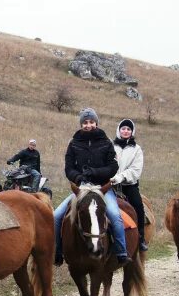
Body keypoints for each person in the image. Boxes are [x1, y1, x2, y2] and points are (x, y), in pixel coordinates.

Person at [53, 108, 130, 266]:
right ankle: (58, 252)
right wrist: (78, 177)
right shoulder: (74, 143)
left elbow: (113, 167)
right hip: (82, 189)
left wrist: (95, 172)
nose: (88, 125)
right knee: (56, 216)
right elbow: (68, 168)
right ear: (81, 124)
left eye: (91, 122)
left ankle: (121, 252)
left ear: (96, 123)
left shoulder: (106, 141)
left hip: (102, 188)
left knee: (115, 216)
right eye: (85, 122)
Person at [110, 118, 148, 251]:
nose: (125, 131)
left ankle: (141, 237)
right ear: (119, 130)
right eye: (123, 129)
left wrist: (120, 177)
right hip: (110, 184)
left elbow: (135, 170)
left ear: (132, 132)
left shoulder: (137, 149)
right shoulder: (111, 145)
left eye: (128, 129)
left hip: (128, 185)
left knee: (138, 205)